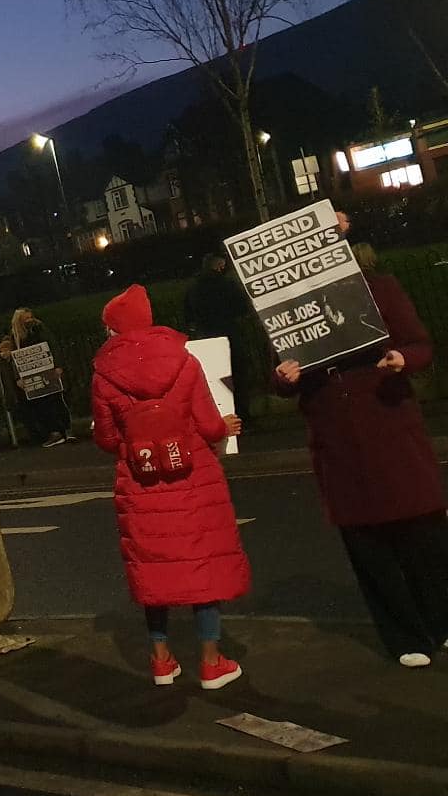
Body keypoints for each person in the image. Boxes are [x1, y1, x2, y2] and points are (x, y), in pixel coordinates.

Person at [273, 251, 448, 667]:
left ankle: (442, 623)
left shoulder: (380, 289)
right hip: (338, 442)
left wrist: (402, 358)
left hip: (389, 427)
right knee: (369, 548)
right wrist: (283, 378)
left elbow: (420, 345)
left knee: (424, 536)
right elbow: (278, 375)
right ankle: (404, 637)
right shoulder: (286, 310)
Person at [91, 284, 248, 689]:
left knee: (154, 571)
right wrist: (224, 428)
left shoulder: (104, 375)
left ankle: (161, 660)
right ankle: (211, 663)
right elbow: (208, 424)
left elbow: (107, 439)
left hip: (140, 477)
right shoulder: (185, 360)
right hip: (192, 475)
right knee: (202, 566)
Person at [183, 254, 258, 427]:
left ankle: (219, 417)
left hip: (206, 337)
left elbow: (188, 316)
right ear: (220, 266)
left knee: (213, 380)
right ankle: (242, 416)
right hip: (230, 335)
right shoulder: (228, 284)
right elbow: (242, 308)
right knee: (237, 377)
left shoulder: (193, 288)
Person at [10, 307, 74, 447]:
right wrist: (18, 377)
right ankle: (55, 432)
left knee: (56, 400)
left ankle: (65, 430)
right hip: (33, 374)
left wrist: (58, 365)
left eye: (30, 317)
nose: (29, 321)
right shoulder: (16, 337)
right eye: (26, 319)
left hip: (48, 370)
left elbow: (52, 345)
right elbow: (17, 358)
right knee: (43, 404)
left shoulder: (39, 329)